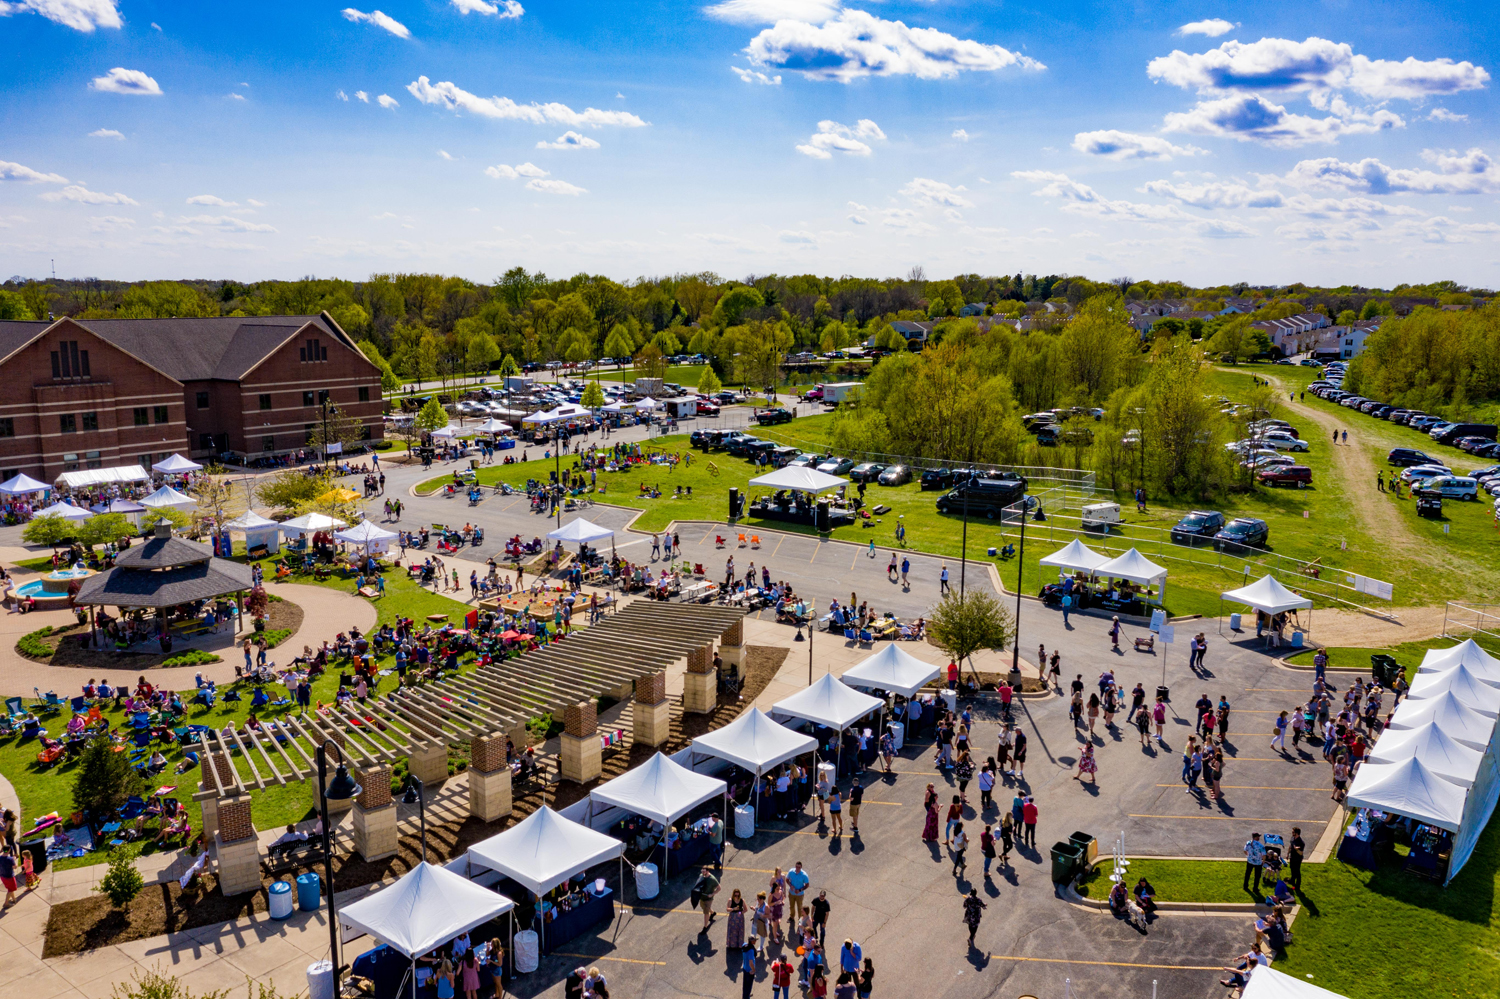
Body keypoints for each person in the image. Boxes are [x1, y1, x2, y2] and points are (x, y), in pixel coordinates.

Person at [694, 865, 720, 931]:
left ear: (708, 871)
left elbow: (719, 888)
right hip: (702, 897)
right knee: (704, 907)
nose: (703, 873)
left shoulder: (712, 879)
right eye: (702, 871)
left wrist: (712, 894)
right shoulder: (701, 876)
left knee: (706, 912)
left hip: (708, 898)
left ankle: (705, 927)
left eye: (704, 871)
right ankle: (713, 913)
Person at [785, 861, 809, 928]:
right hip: (791, 893)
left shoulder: (804, 875)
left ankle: (800, 920)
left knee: (800, 908)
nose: (797, 868)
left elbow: (807, 885)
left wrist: (800, 890)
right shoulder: (791, 872)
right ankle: (792, 917)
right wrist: (790, 885)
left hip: (800, 895)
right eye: (796, 866)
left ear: (801, 867)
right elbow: (787, 880)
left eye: (799, 867)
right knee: (791, 906)